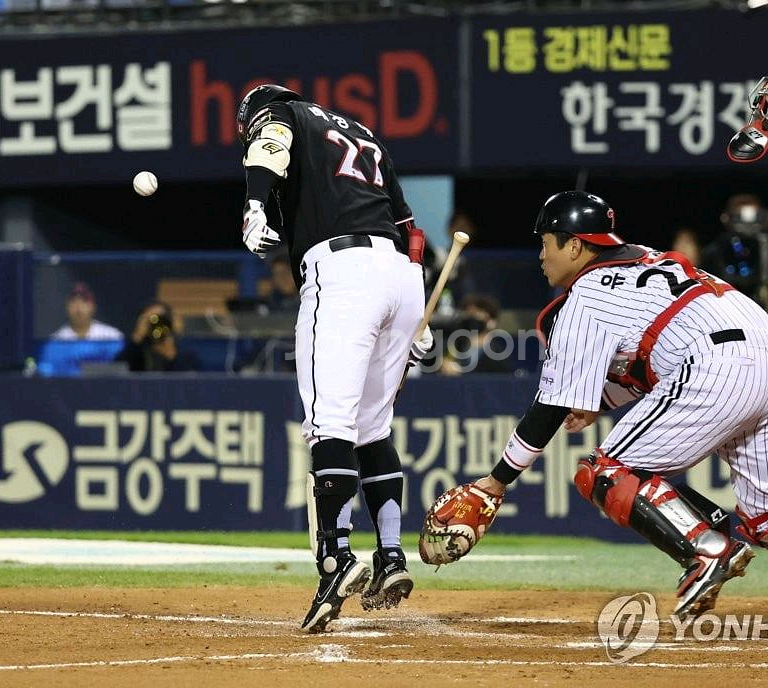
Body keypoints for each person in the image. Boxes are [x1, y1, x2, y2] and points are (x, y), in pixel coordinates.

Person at [422, 191, 768, 629]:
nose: (542, 254)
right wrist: (601, 402)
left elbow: (551, 404)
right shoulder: (653, 264)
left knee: (606, 471)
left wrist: (496, 481)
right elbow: (657, 357)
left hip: (717, 366)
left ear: (575, 245)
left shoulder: (586, 295)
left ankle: (706, 546)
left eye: (547, 241)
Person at [236, 84, 431, 632]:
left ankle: (335, 556)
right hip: (401, 276)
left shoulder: (282, 113)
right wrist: (420, 316)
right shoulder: (364, 134)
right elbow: (411, 232)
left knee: (330, 424)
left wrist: (254, 205)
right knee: (373, 427)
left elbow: (269, 143)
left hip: (343, 271)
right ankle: (389, 556)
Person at [700, 195, 768, 351]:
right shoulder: (714, 252)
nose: (746, 223)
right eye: (740, 215)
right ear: (727, 218)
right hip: (723, 326)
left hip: (767, 327)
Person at [439, 294, 512, 375]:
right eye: (469, 318)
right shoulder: (454, 345)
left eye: (477, 319)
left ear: (491, 322)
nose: (472, 324)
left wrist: (460, 372)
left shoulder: (499, 355)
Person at [114, 301, 196, 372]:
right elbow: (116, 371)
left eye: (161, 319)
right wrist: (137, 338)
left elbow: (191, 381)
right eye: (152, 319)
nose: (157, 324)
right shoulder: (136, 347)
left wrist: (173, 357)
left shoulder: (183, 350)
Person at [50, 282, 123, 341]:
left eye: (84, 301)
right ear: (66, 307)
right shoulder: (56, 340)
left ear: (93, 306)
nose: (79, 306)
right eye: (73, 301)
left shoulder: (111, 336)